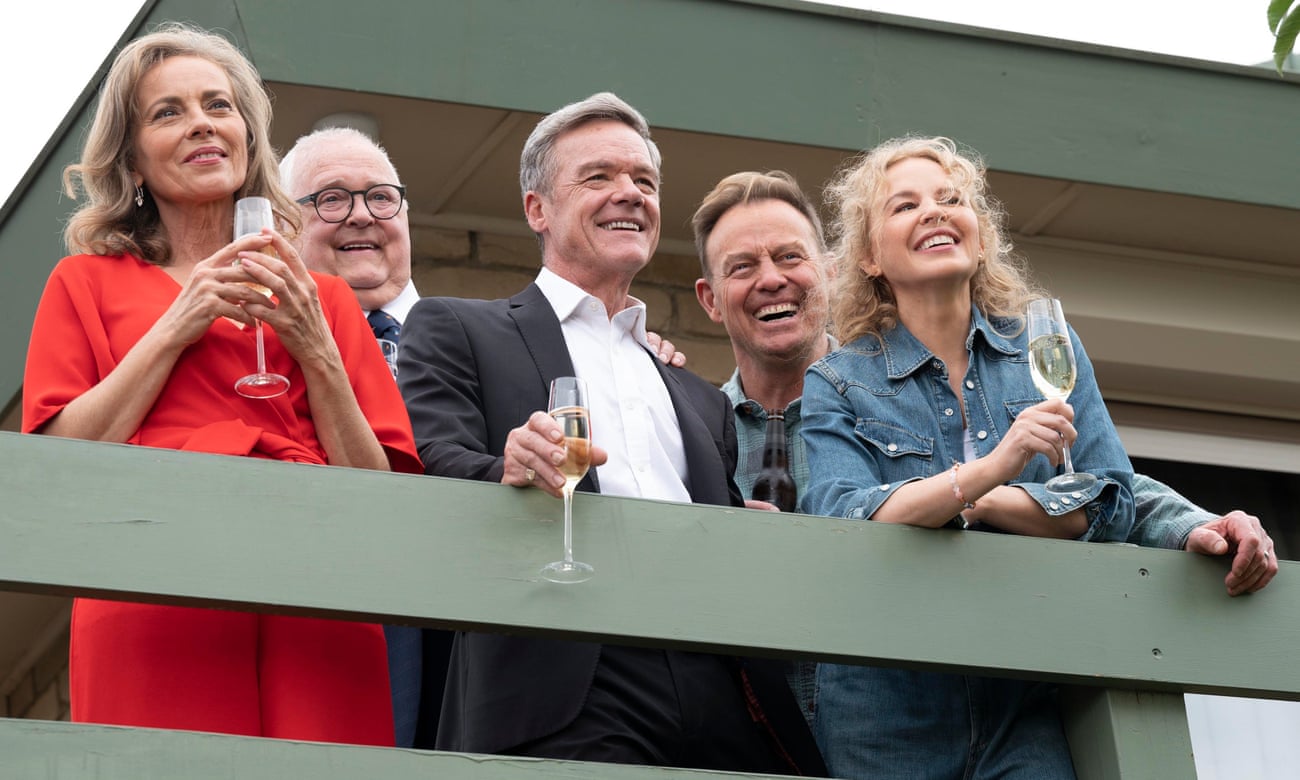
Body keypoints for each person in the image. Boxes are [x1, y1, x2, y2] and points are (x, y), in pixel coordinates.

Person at [397, 92, 825, 775]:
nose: (629, 193)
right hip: (564, 679)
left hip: (716, 686)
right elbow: (427, 462)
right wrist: (505, 468)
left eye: (644, 181)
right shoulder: (458, 328)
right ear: (537, 208)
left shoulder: (697, 396)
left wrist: (734, 528)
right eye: (598, 177)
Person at [21, 23, 421, 745]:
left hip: (317, 598)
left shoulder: (323, 298)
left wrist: (316, 348)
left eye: (218, 105)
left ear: (245, 134)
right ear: (133, 160)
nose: (202, 122)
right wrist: (179, 323)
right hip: (153, 594)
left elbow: (382, 498)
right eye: (168, 112)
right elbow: (58, 467)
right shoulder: (83, 284)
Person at [690, 171, 1277, 597]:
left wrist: (1197, 522)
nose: (772, 280)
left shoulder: (936, 372)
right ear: (710, 300)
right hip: (776, 705)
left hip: (963, 676)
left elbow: (1100, 485)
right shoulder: (691, 425)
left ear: (830, 269)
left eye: (791, 256)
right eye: (742, 267)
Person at [279, 126, 434, 749]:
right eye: (331, 200)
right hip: (322, 626)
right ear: (287, 225)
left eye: (380, 197)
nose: (362, 216)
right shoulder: (255, 350)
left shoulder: (491, 340)